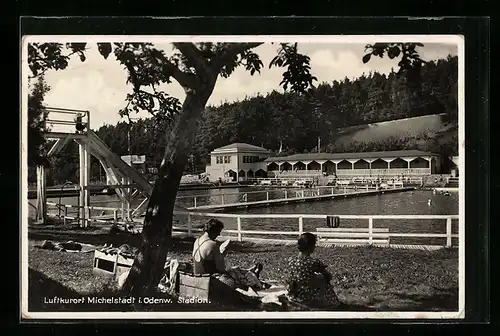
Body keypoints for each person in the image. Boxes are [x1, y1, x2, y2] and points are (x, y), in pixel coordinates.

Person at [192, 219, 267, 291]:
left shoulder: (197, 241)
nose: (219, 234)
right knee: (236, 275)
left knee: (236, 269)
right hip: (211, 279)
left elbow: (206, 261)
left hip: (199, 276)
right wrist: (222, 255)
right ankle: (254, 281)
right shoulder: (212, 244)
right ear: (213, 230)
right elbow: (221, 268)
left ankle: (251, 272)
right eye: (218, 231)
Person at [283, 232, 341, 309]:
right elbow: (328, 276)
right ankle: (330, 302)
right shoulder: (313, 262)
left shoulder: (291, 260)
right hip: (307, 295)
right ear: (311, 247)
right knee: (323, 280)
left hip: (295, 292)